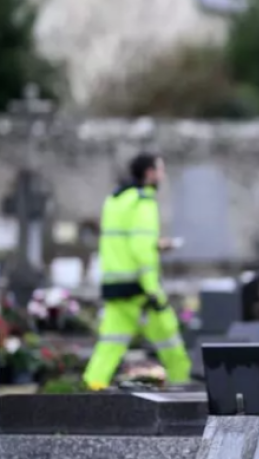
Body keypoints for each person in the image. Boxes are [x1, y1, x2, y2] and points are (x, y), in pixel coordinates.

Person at [82, 153, 191, 390]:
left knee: (110, 343)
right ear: (149, 173)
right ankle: (184, 391)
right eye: (160, 170)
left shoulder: (116, 199)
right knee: (170, 342)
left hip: (116, 283)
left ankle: (91, 390)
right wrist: (152, 289)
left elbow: (122, 242)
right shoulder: (143, 202)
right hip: (140, 287)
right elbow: (141, 248)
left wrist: (156, 244)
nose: (163, 175)